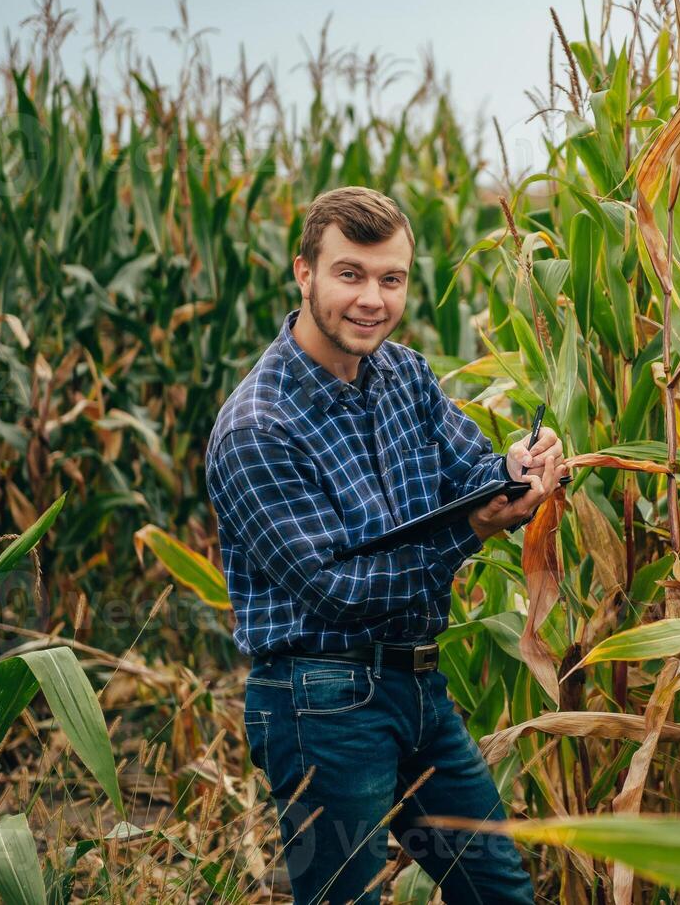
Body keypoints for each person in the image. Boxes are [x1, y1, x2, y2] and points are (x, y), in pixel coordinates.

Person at [205, 186, 563, 904]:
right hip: (321, 701)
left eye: (390, 279)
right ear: (303, 272)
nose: (372, 299)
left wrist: (519, 471)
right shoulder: (257, 428)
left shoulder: (404, 375)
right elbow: (338, 592)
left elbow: (467, 475)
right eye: (350, 275)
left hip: (417, 687)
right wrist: (473, 530)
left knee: (500, 894)